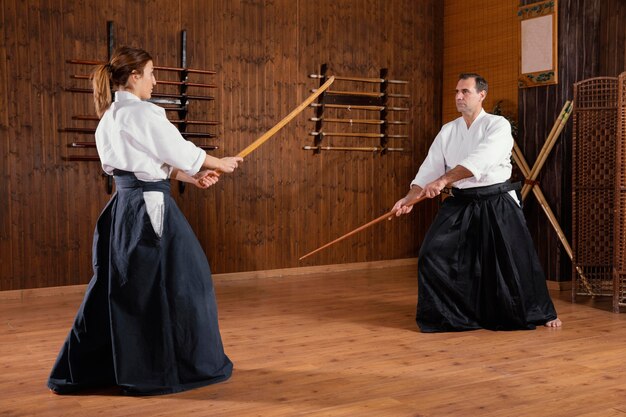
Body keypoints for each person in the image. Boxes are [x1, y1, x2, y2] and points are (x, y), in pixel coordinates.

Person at [48, 46, 243, 395]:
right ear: (134, 76)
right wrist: (218, 163)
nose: (155, 81)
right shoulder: (143, 112)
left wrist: (192, 178)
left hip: (124, 208)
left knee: (123, 288)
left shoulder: (110, 115)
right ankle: (173, 367)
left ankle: (105, 367)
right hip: (148, 208)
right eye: (151, 73)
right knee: (184, 283)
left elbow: (149, 161)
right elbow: (179, 151)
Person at [392, 73, 562, 332]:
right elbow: (429, 169)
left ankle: (540, 312)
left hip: (497, 201)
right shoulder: (449, 130)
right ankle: (452, 315)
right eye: (456, 92)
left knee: (514, 260)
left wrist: (444, 180)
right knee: (431, 254)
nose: (459, 97)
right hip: (461, 202)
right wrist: (410, 198)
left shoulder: (498, 125)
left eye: (465, 92)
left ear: (482, 94)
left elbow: (481, 159)